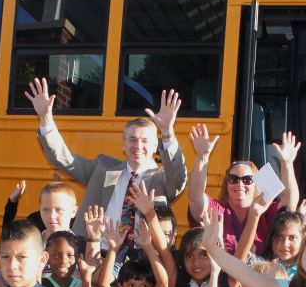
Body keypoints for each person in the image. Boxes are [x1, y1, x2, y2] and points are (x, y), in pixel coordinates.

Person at [27, 77, 187, 239]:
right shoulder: (102, 168)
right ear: (124, 145)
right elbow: (63, 158)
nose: (138, 146)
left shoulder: (163, 179)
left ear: (155, 146)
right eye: (132, 140)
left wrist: (167, 133)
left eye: (145, 141)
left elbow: (178, 176)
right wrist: (45, 118)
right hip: (96, 250)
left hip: (143, 253)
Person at [186, 124, 301, 254]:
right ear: (226, 184)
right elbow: (195, 197)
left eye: (247, 179)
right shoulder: (217, 211)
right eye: (233, 179)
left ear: (256, 185)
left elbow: (289, 204)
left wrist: (287, 163)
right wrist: (202, 157)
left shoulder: (265, 211)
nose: (240, 184)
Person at [3, 180, 80, 238]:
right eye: (45, 209)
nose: (51, 216)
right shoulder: (32, 243)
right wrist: (12, 202)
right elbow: (9, 237)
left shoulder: (81, 246)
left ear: (73, 211)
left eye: (59, 210)